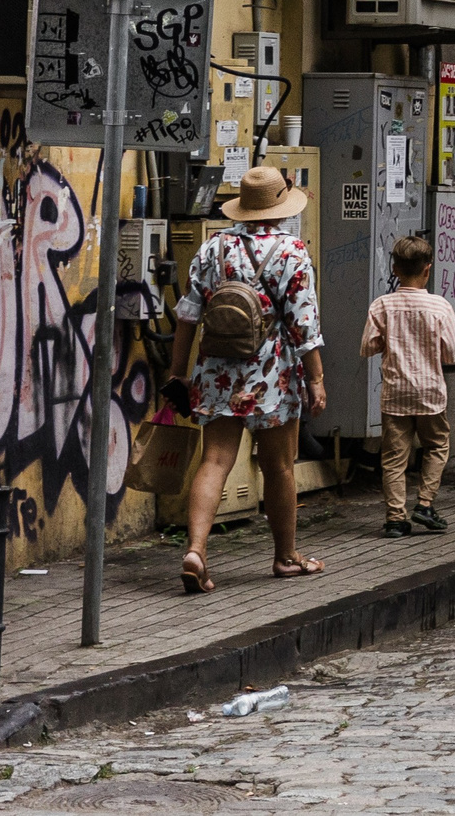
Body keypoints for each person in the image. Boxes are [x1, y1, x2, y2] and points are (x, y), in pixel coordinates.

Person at [163, 165, 328, 592]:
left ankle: (196, 550)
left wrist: (178, 374)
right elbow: (303, 326)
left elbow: (186, 316)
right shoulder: (292, 252)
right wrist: (317, 381)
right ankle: (286, 557)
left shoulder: (214, 248)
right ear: (280, 207)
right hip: (272, 374)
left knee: (214, 460)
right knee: (279, 466)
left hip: (217, 370)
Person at [360, 234, 455, 538]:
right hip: (430, 392)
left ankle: (394, 518)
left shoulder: (382, 306)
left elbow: (368, 346)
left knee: (393, 457)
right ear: (427, 269)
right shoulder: (440, 307)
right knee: (437, 445)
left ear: (395, 269)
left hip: (396, 393)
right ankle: (426, 504)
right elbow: (450, 353)